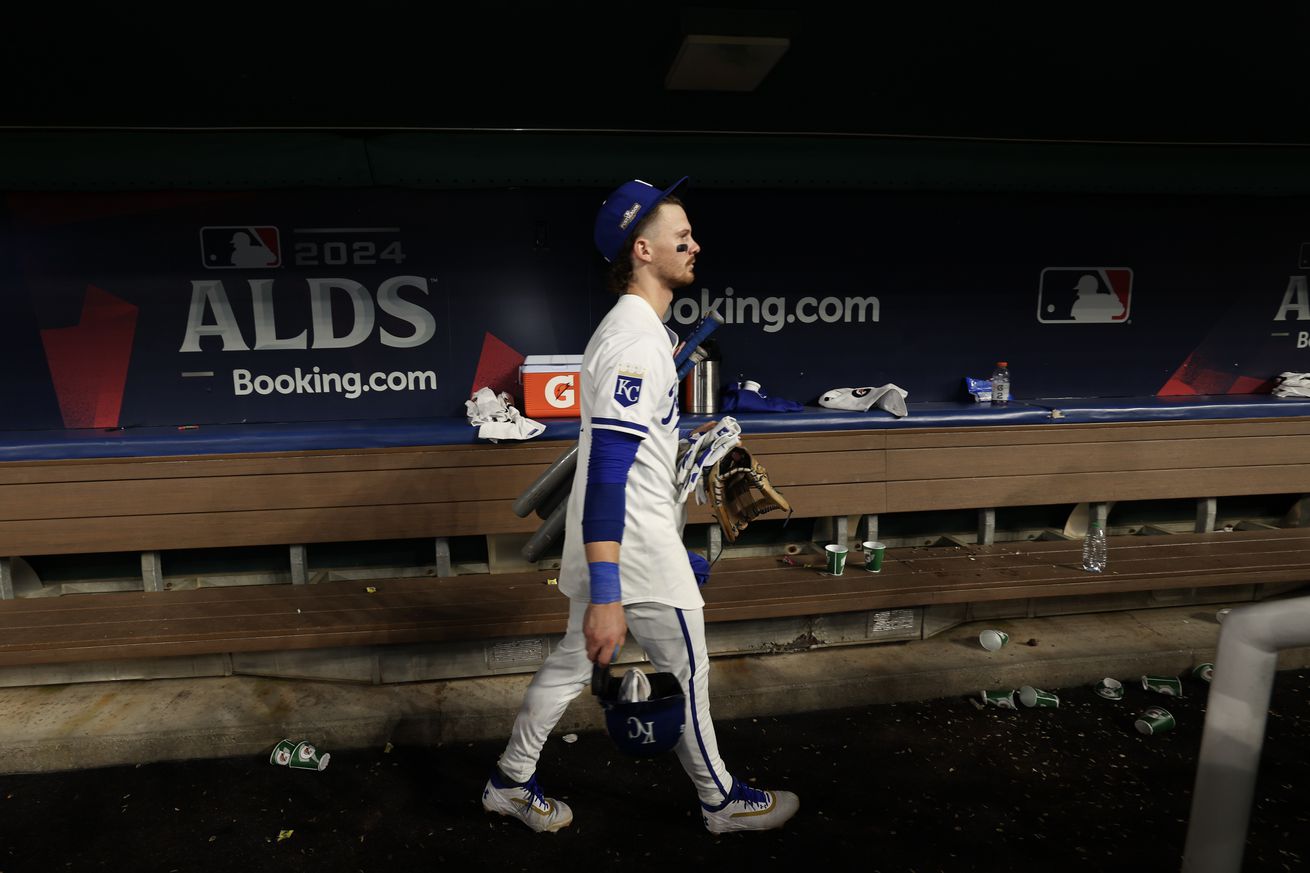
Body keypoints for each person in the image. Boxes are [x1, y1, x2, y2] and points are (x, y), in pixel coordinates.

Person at [481, 177, 800, 834]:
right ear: (642, 250)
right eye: (682, 238)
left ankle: (510, 780)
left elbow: (632, 466)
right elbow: (605, 478)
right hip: (631, 552)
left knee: (572, 661)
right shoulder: (635, 341)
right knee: (690, 669)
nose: (696, 245)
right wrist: (610, 589)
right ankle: (721, 801)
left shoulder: (637, 333)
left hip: (629, 542)